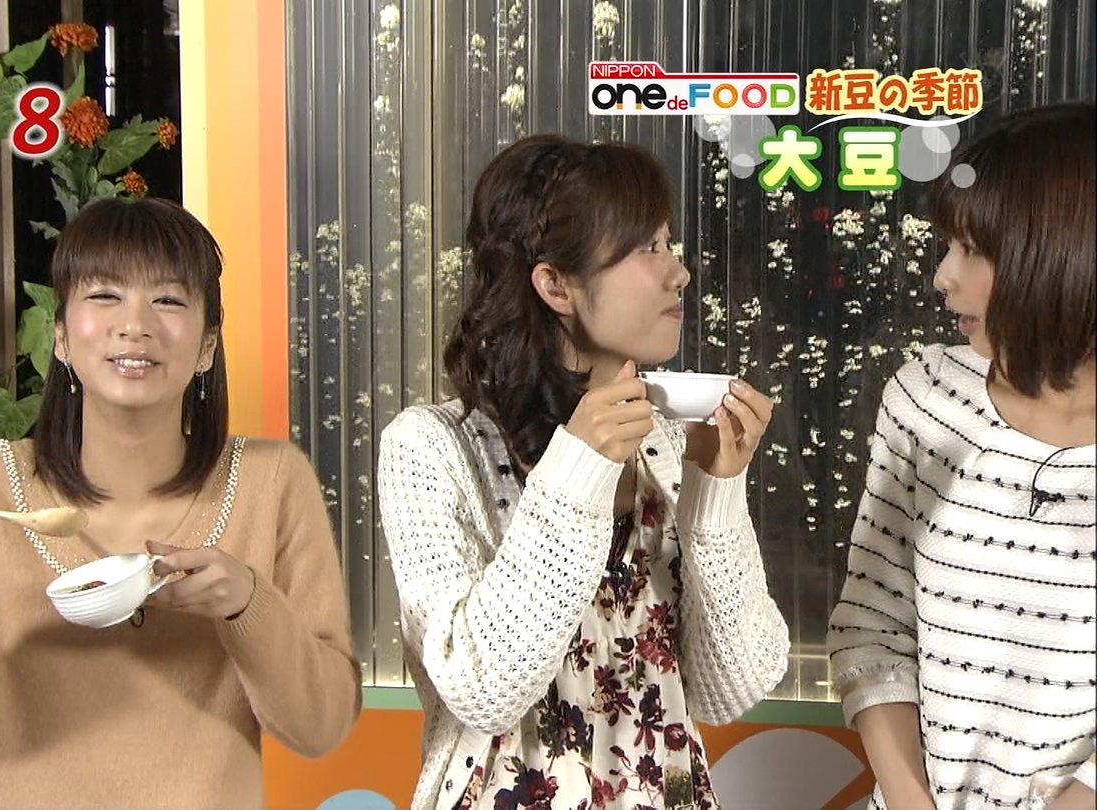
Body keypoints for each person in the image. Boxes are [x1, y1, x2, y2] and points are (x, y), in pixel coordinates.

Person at [0, 197, 362, 809]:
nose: (134, 325)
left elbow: (322, 728)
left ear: (207, 345)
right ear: (62, 337)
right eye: (104, 295)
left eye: (168, 299)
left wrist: (247, 603)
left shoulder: (271, 481)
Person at [376, 134, 790, 810]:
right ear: (555, 284)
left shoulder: (667, 443)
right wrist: (577, 472)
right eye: (647, 248)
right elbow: (481, 689)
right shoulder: (430, 447)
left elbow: (732, 689)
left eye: (669, 243)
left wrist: (716, 491)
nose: (679, 273)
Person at [827, 102, 1096, 810]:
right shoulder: (927, 395)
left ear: (1062, 253)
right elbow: (871, 627)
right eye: (947, 246)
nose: (943, 276)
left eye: (972, 250)